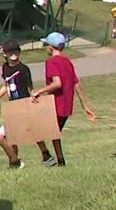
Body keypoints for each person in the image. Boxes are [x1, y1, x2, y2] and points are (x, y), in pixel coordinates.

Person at [31, 32, 97, 167]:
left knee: (34, 128)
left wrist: (40, 91)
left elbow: (57, 83)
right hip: (66, 107)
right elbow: (76, 84)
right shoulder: (67, 62)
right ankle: (60, 161)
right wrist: (85, 107)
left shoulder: (51, 62)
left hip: (55, 105)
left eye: (46, 45)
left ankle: (47, 157)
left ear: (51, 47)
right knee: (54, 133)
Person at [0, 40, 48, 169]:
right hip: (12, 106)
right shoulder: (5, 67)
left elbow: (30, 88)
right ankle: (14, 161)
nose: (14, 54)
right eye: (10, 52)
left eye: (16, 51)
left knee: (31, 132)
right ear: (4, 54)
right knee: (8, 137)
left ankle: (42, 154)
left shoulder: (23, 69)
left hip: (24, 105)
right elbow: (5, 86)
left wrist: (34, 98)